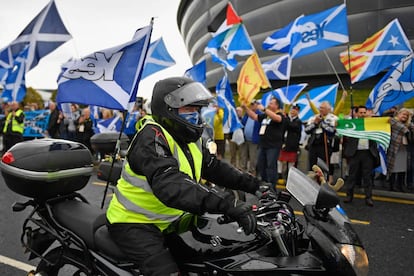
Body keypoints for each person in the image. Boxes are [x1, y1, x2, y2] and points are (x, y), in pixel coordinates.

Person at [106, 77, 266, 276]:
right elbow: (172, 185)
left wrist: (255, 185)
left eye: (197, 109)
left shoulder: (188, 138)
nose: (196, 115)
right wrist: (228, 204)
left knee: (208, 261)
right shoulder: (151, 138)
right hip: (134, 223)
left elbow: (214, 167)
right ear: (168, 109)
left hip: (168, 221)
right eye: (189, 109)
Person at [242, 97, 286, 188]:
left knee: (271, 166)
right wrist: (246, 108)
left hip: (273, 146)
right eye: (269, 103)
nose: (269, 104)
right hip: (263, 145)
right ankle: (264, 184)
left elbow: (277, 119)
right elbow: (255, 117)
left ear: (277, 105)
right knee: (261, 165)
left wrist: (264, 109)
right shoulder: (266, 116)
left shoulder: (280, 114)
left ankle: (272, 186)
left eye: (272, 103)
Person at [342, 106, 379, 206]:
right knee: (352, 175)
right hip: (355, 153)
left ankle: (368, 197)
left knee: (367, 177)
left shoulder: (371, 123)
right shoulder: (352, 124)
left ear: (367, 113)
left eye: (364, 112)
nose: (362, 114)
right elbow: (343, 130)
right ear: (357, 113)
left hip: (368, 153)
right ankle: (349, 195)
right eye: (361, 112)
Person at [304, 101, 337, 174]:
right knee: (312, 165)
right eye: (320, 108)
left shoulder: (333, 118)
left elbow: (332, 131)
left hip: (325, 144)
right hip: (313, 144)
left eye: (323, 108)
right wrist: (315, 123)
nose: (321, 109)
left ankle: (324, 180)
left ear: (329, 109)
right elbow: (306, 130)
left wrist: (322, 122)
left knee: (323, 165)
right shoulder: (313, 117)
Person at [387, 108, 414, 192]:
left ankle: (400, 185)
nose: (405, 116)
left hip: (404, 149)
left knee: (403, 168)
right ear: (398, 114)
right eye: (403, 114)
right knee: (393, 167)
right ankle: (392, 185)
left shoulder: (408, 125)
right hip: (394, 148)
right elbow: (403, 129)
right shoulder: (393, 121)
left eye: (407, 115)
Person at [278, 104, 302, 179]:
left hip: (292, 145)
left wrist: (286, 117)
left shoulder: (298, 121)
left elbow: (292, 126)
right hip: (284, 143)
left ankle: (289, 176)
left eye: (295, 110)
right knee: (280, 160)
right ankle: (279, 175)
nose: (293, 111)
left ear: (298, 112)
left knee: (291, 162)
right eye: (292, 109)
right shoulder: (288, 119)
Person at [240, 100, 261, 175]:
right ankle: (242, 172)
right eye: (251, 104)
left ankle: (252, 173)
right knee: (243, 156)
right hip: (245, 139)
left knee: (253, 158)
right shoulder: (247, 114)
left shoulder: (260, 115)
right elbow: (242, 123)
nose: (251, 106)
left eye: (253, 104)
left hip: (254, 140)